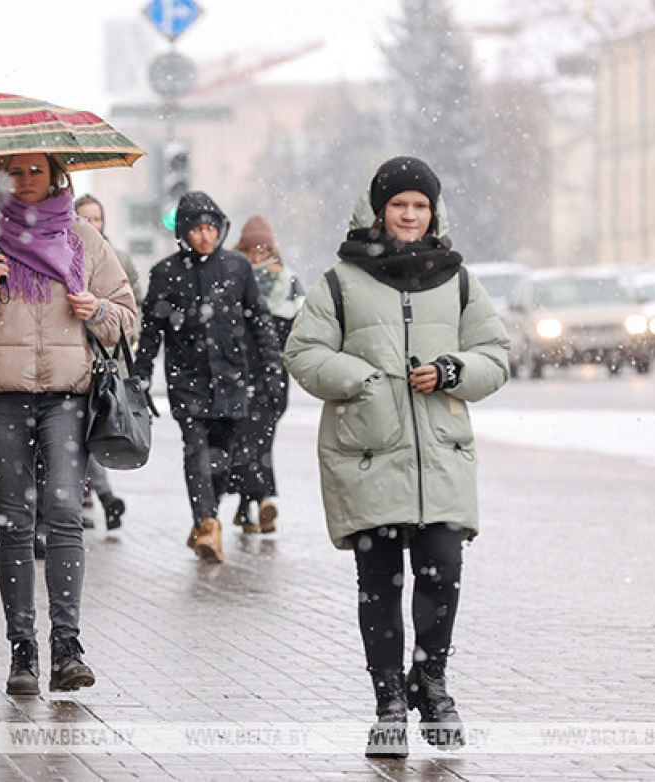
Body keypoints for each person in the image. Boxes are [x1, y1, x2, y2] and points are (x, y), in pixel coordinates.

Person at [283, 156, 509, 756]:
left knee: (442, 571)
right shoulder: (341, 281)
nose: (410, 215)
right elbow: (303, 352)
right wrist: (361, 378)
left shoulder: (459, 280)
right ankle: (387, 698)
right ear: (379, 210)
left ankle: (431, 684)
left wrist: (456, 370)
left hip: (440, 454)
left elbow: (496, 353)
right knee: (378, 581)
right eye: (399, 205)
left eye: (420, 205)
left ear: (434, 213)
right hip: (366, 452)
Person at [0, 152, 137, 695]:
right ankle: (23, 650)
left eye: (35, 171)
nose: (25, 181)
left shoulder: (84, 239)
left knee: (65, 513)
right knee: (15, 521)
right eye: (13, 172)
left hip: (67, 396)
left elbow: (126, 314)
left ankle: (67, 644)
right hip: (0, 398)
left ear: (56, 176)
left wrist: (100, 312)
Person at [134, 192, 284, 564]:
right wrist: (140, 378)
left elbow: (259, 320)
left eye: (211, 228)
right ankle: (206, 520)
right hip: (188, 380)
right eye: (198, 229)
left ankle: (208, 518)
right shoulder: (166, 273)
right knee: (197, 453)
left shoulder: (237, 268)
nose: (206, 236)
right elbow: (151, 332)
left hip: (232, 378)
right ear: (184, 232)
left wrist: (272, 367)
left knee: (224, 457)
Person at [226, 215, 306, 533]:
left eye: (263, 250)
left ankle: (248, 505)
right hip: (240, 372)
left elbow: (300, 326)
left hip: (272, 371)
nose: (257, 257)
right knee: (250, 439)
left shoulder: (288, 281)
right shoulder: (233, 277)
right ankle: (262, 499)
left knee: (260, 438)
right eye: (250, 250)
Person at [73, 194, 139, 530]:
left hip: (108, 361)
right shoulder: (65, 257)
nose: (91, 225)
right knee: (81, 431)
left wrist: (128, 336)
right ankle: (99, 496)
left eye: (96, 218)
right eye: (83, 218)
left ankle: (97, 495)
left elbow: (132, 305)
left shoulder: (119, 258)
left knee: (97, 428)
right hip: (74, 359)